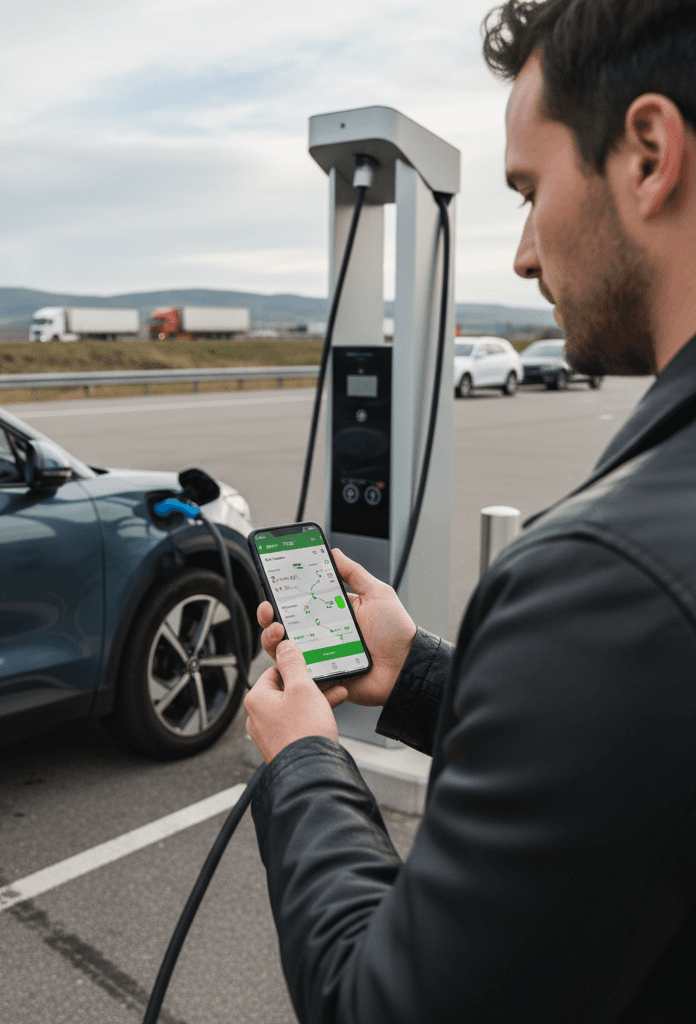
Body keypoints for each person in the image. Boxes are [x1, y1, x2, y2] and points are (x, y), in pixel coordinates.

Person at [243, 2, 696, 1021]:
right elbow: (631, 771)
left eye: (531, 192)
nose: (525, 256)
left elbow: (380, 1004)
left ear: (648, 153)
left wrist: (304, 761)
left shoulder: (605, 578)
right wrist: (421, 677)